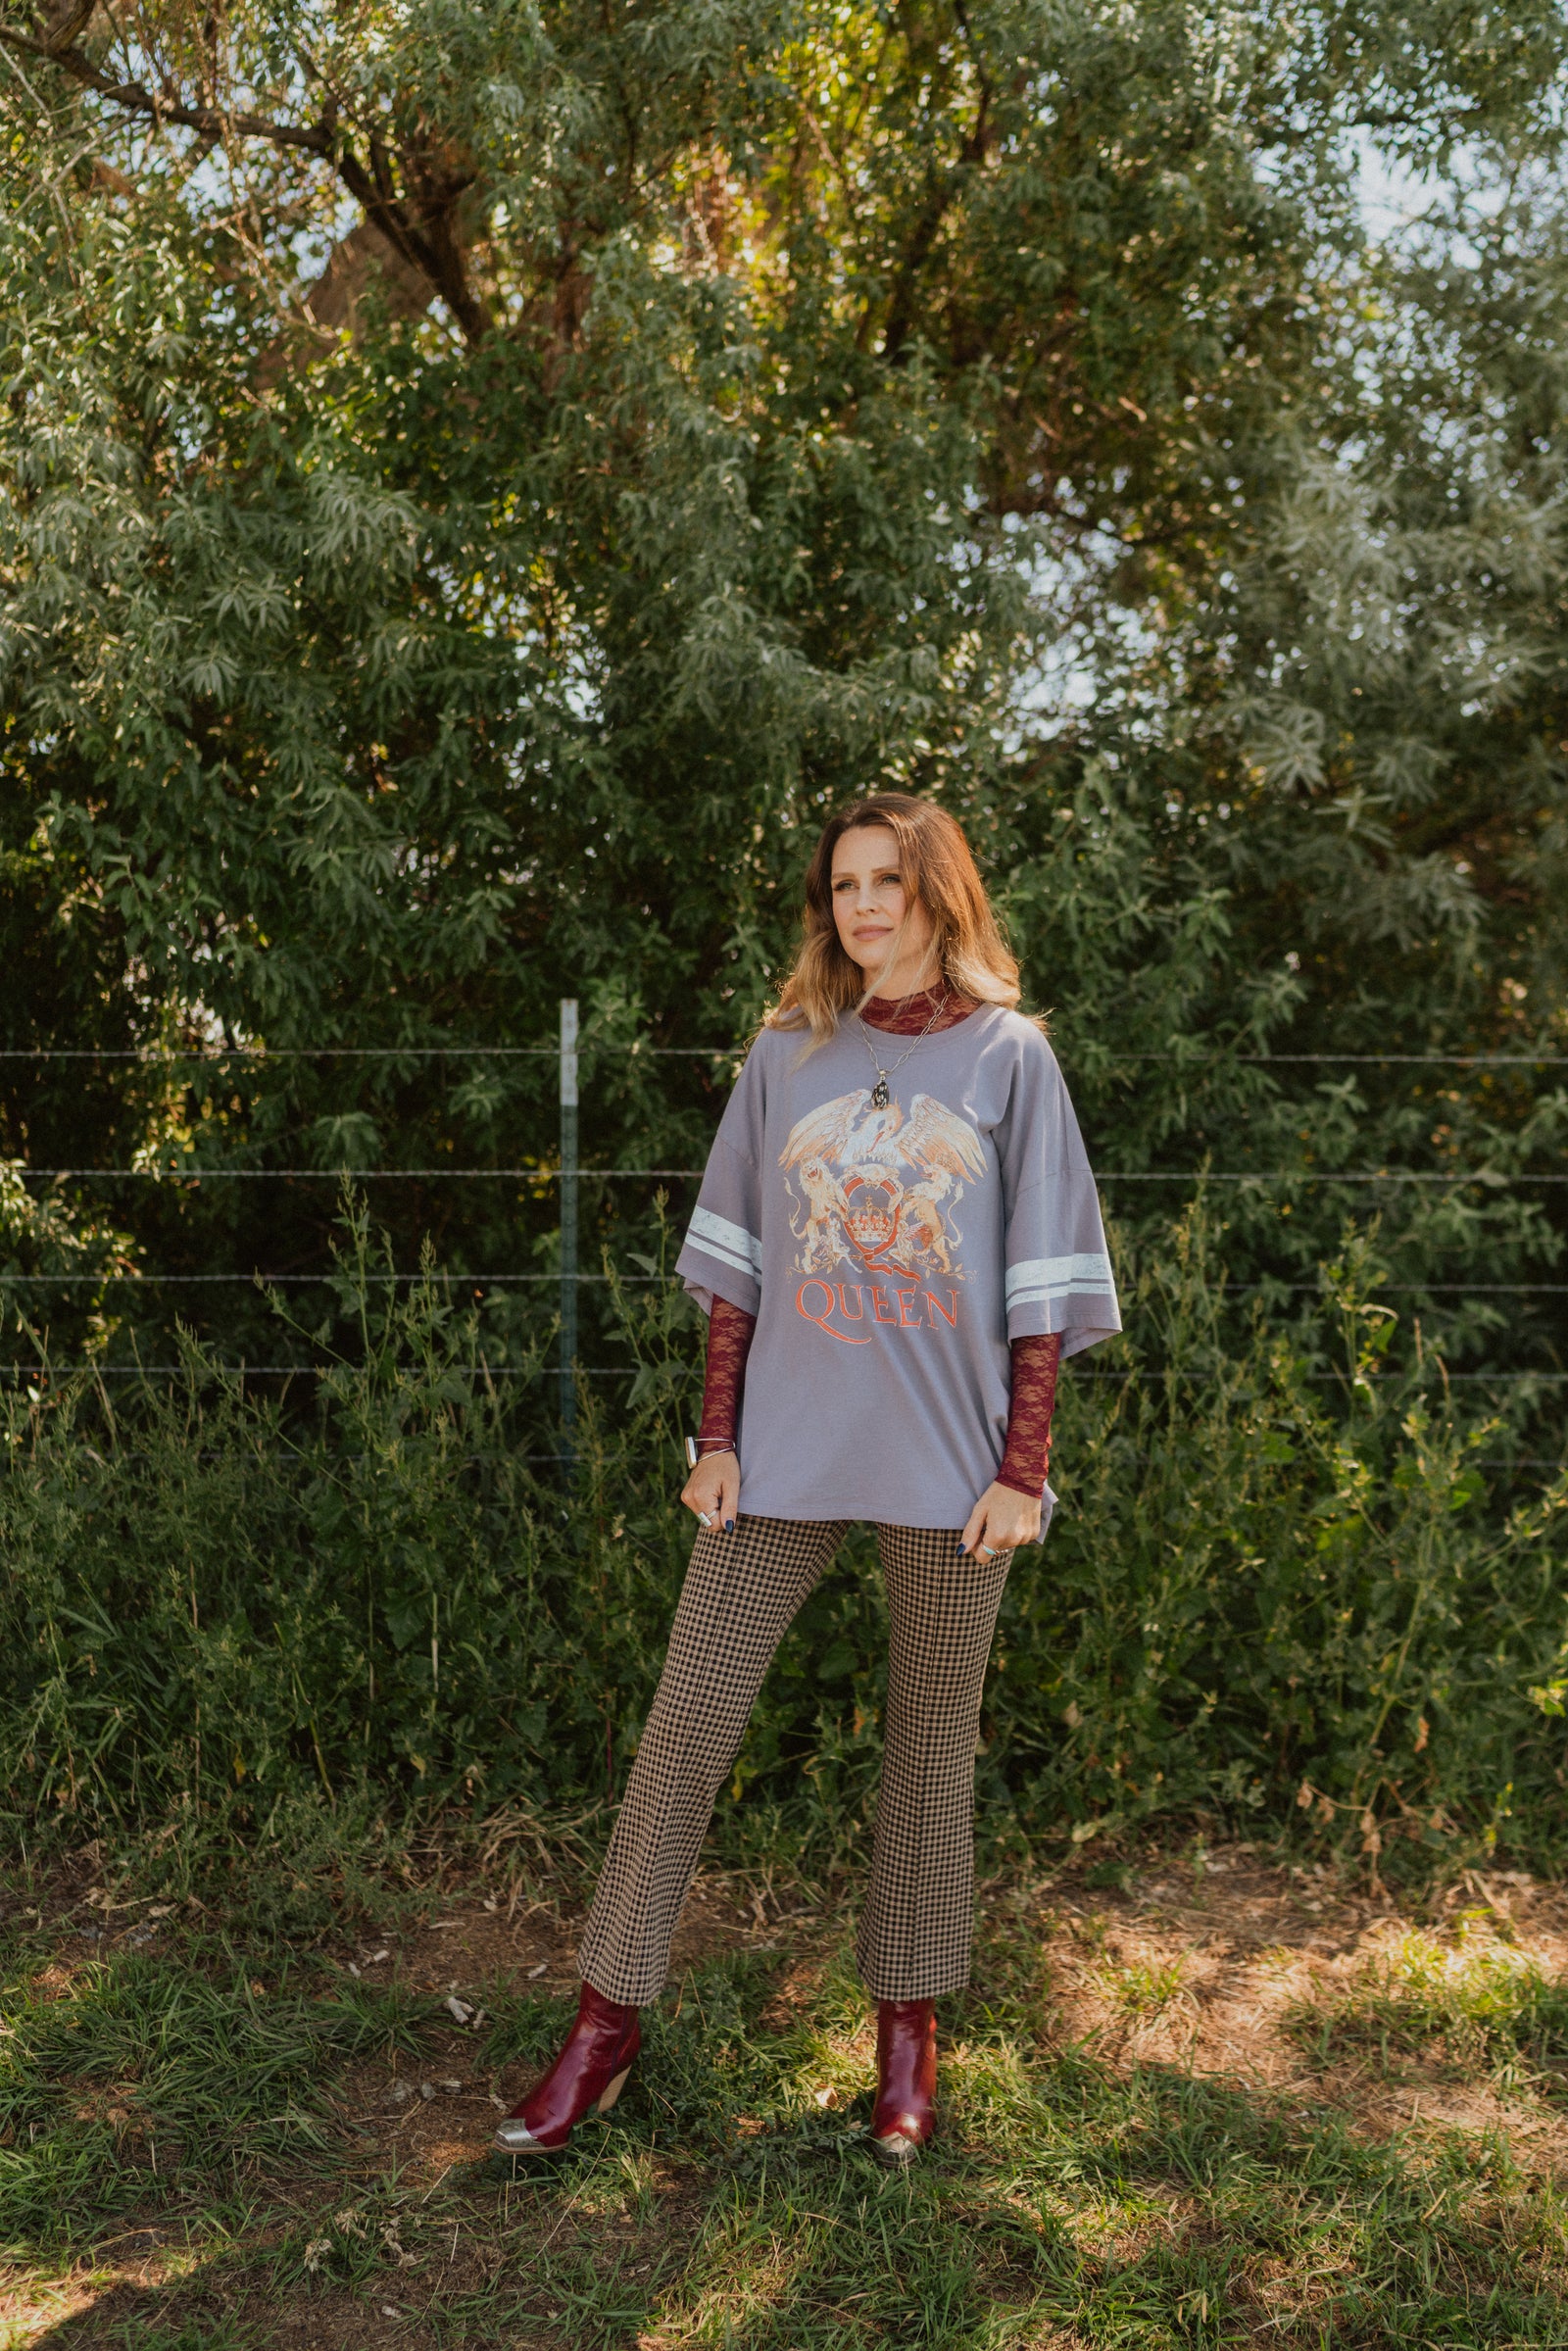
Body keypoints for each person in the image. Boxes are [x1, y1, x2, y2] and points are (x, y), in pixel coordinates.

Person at [497, 791, 1119, 2162]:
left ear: (939, 892)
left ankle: (907, 2033)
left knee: (929, 1755)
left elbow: (1041, 1284)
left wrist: (1024, 1469)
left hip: (957, 1469)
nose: (865, 905)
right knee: (685, 1730)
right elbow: (736, 1270)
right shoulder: (787, 1053)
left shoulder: (1011, 1058)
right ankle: (605, 2022)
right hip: (780, 1453)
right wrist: (716, 1441)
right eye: (844, 884)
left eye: (889, 879)